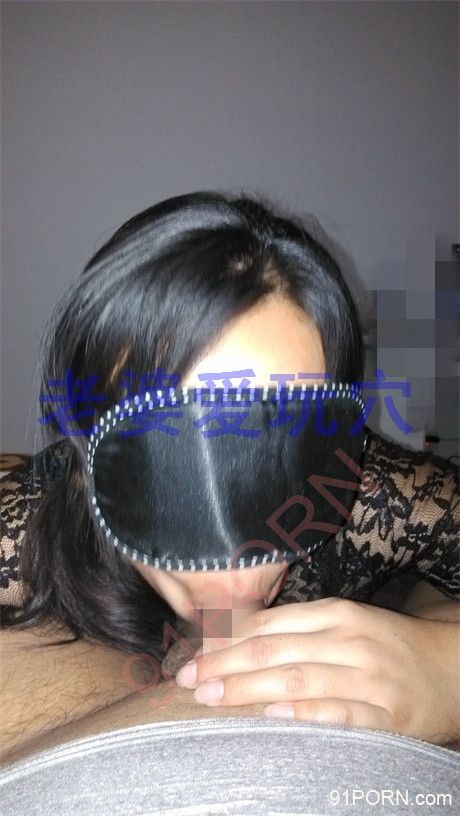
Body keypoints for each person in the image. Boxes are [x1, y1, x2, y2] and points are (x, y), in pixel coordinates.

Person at [1, 190, 459, 751]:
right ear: (85, 452)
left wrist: (444, 667)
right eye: (174, 479)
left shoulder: (373, 498)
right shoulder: (21, 540)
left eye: (285, 462)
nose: (244, 579)